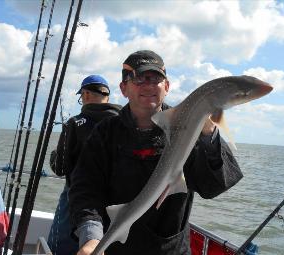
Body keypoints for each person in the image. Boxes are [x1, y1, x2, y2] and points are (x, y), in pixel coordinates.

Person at [69, 50, 243, 255]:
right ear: (123, 88)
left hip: (170, 249)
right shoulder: (105, 133)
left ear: (167, 87)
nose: (149, 85)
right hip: (115, 247)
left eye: (156, 78)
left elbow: (212, 187)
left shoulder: (188, 130)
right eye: (139, 78)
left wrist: (208, 134)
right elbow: (85, 189)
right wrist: (91, 237)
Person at [47, 75, 122, 255]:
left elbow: (60, 167)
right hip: (116, 201)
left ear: (86, 95)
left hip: (77, 198)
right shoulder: (123, 122)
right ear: (107, 96)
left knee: (59, 247)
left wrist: (54, 156)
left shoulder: (75, 123)